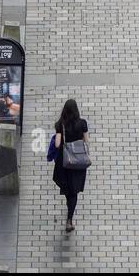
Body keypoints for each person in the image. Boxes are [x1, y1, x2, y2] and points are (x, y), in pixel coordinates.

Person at [48, 97, 89, 232]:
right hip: (78, 162)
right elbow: (86, 141)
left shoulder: (61, 124)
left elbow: (58, 144)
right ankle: (69, 219)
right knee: (74, 191)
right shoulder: (82, 123)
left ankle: (69, 209)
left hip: (64, 163)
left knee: (68, 190)